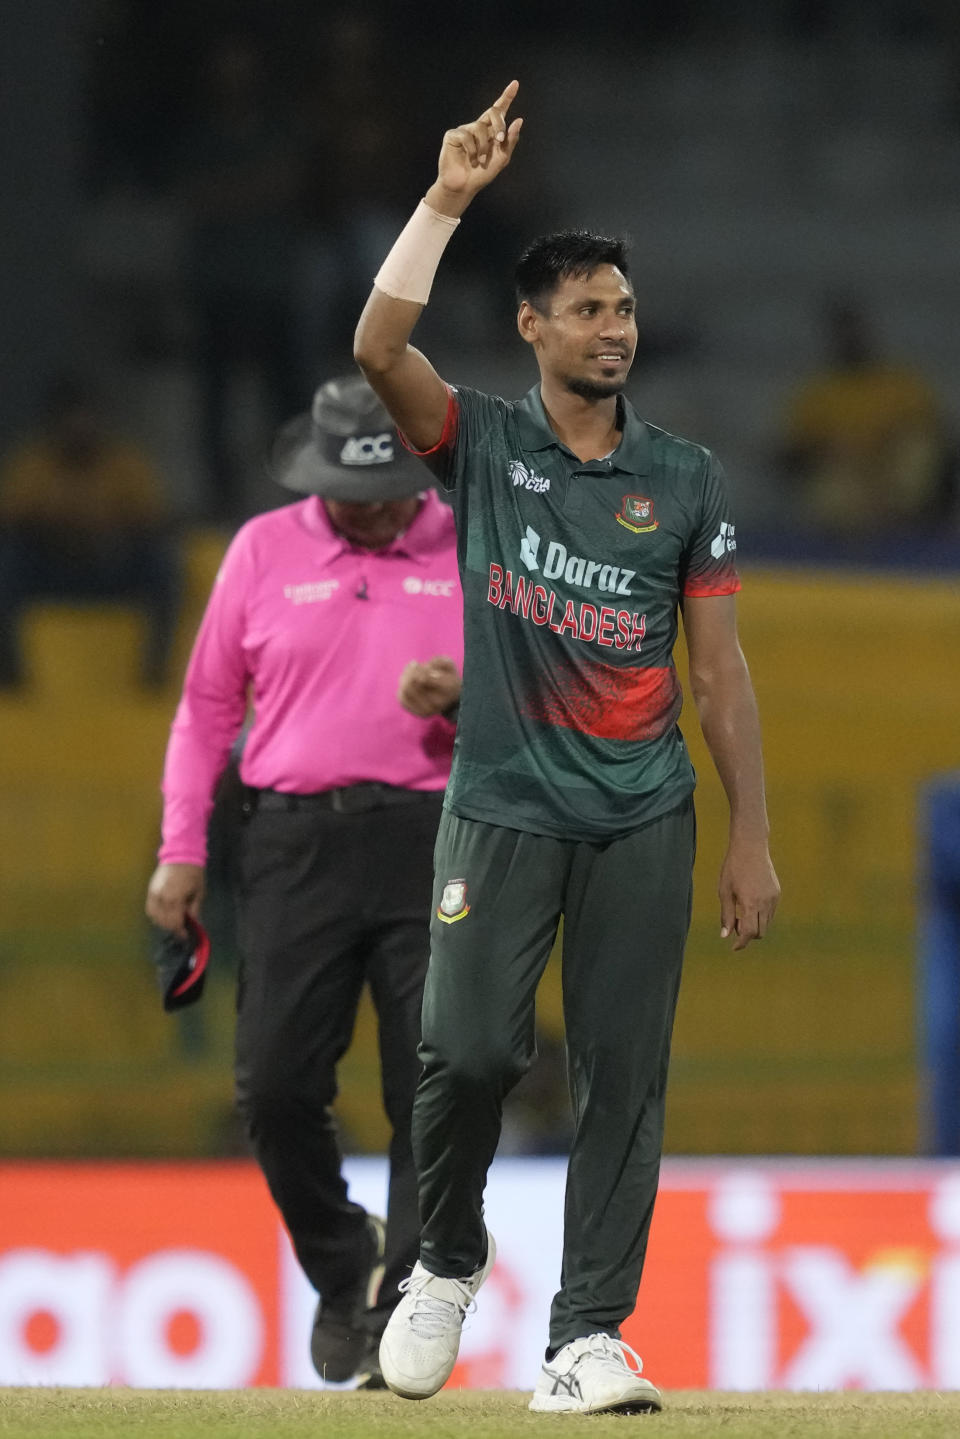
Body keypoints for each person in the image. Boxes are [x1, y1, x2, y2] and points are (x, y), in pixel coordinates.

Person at [353, 81, 780, 1415]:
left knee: (623, 1076)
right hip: (502, 801)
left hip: (644, 811)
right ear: (532, 326)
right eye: (588, 310)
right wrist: (445, 201)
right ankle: (445, 1258)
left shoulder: (689, 479)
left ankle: (587, 1333)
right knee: (469, 1047)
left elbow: (718, 668)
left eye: (625, 310)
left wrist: (751, 831)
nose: (615, 330)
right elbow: (377, 345)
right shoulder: (483, 446)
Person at [144, 374, 463, 1387]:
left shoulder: (472, 545)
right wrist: (181, 846)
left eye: (382, 488)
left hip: (438, 837)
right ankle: (342, 1258)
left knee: (434, 1082)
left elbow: (546, 702)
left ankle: (405, 1306)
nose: (366, 506)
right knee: (274, 1087)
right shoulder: (262, 549)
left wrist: (468, 697)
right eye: (345, 488)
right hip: (290, 843)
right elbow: (204, 709)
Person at [0, 377, 181, 690]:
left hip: (111, 570)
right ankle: (10, 677)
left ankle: (155, 676)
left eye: (87, 417)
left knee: (162, 562)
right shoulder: (32, 465)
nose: (79, 427)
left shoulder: (126, 464)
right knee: (8, 561)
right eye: (70, 418)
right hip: (51, 571)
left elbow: (156, 521)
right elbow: (11, 520)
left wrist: (110, 537)